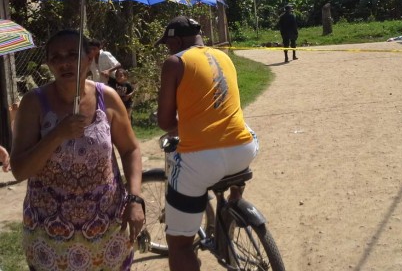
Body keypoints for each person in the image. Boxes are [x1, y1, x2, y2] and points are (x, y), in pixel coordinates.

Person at [10, 29, 144, 271]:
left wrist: (135, 199)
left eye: (73, 54)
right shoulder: (34, 103)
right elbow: (19, 170)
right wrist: (57, 134)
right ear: (49, 64)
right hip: (51, 237)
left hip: (108, 229)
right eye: (56, 57)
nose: (64, 62)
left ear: (90, 58)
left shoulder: (108, 98)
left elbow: (130, 149)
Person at [155, 16, 259, 271]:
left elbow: (165, 121)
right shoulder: (224, 56)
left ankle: (225, 211)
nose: (168, 49)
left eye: (168, 44)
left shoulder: (174, 62)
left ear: (177, 40)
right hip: (244, 150)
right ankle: (233, 202)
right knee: (246, 133)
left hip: (201, 160)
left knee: (179, 246)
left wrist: (186, 122)